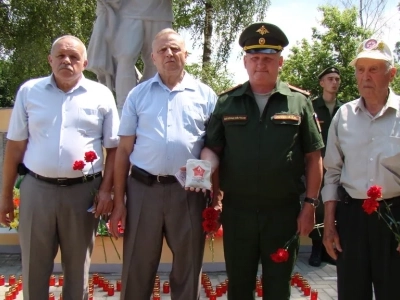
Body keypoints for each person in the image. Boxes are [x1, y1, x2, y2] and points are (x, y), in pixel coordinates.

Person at [200, 22, 324, 300]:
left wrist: (310, 205)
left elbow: (314, 157)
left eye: (268, 59)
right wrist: (215, 201)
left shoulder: (298, 102)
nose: (260, 64)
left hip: (282, 213)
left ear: (280, 61)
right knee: (239, 286)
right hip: (238, 212)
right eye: (254, 58)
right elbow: (213, 153)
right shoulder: (227, 102)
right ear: (245, 62)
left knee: (278, 287)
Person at [0, 35, 120, 299]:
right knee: (33, 267)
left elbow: (114, 150)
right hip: (36, 191)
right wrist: (6, 196)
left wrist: (107, 191)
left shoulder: (101, 95)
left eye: (74, 56)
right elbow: (15, 147)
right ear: (50, 60)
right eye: (61, 56)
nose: (67, 61)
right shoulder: (29, 92)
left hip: (83, 194)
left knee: (78, 269)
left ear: (85, 62)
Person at [108, 28, 217, 300]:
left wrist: (217, 196)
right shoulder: (138, 95)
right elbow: (123, 150)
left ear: (186, 55)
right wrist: (119, 200)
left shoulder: (205, 95)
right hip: (143, 190)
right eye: (163, 50)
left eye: (175, 49)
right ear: (153, 57)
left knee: (189, 266)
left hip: (189, 193)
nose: (169, 54)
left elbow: (215, 147)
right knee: (137, 267)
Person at [322, 38, 399, 300]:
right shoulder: (343, 116)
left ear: (392, 73)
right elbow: (331, 172)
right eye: (360, 69)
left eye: (374, 69)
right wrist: (329, 225)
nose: (365, 76)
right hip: (351, 217)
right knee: (352, 292)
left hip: (394, 217)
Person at [87, 0, 173, 114]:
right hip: (126, 10)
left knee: (158, 60)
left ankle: (153, 105)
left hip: (160, 10)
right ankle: (123, 109)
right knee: (125, 57)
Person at [308, 66, 343, 267]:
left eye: (337, 79)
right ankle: (316, 248)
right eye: (330, 78)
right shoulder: (312, 107)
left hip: (338, 167)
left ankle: (330, 248)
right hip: (317, 166)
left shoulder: (345, 109)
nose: (334, 82)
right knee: (317, 207)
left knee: (336, 206)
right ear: (322, 83)